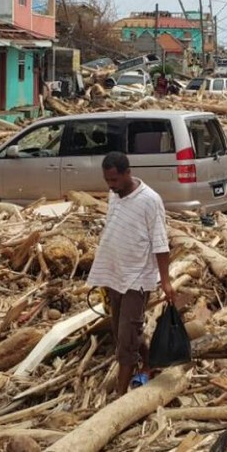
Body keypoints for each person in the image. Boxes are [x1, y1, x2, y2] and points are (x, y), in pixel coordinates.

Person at [86, 152, 176, 396]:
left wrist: (165, 282)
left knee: (126, 340)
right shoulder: (114, 196)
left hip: (138, 278)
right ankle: (149, 363)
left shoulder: (149, 200)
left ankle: (119, 396)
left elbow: (160, 243)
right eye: (107, 180)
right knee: (122, 333)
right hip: (115, 275)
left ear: (127, 173)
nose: (111, 185)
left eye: (114, 180)